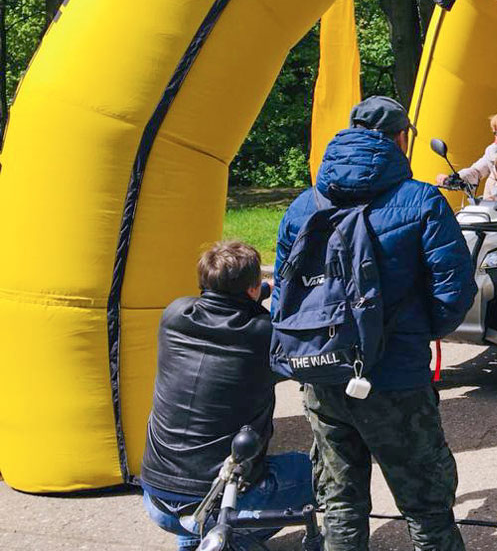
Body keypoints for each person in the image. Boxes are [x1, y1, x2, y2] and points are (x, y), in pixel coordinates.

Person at [277, 96, 477, 551]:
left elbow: (286, 296)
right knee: (426, 507)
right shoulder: (421, 200)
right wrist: (417, 334)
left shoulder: (304, 204)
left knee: (341, 504)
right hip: (396, 376)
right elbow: (454, 290)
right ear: (401, 138)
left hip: (322, 372)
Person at [141, 241, 314, 550]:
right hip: (221, 503)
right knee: (313, 470)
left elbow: (227, 302)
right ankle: (230, 539)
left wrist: (262, 289)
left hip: (157, 499)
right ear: (251, 289)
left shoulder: (174, 315)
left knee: (196, 493)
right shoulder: (265, 336)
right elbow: (306, 361)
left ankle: (196, 537)